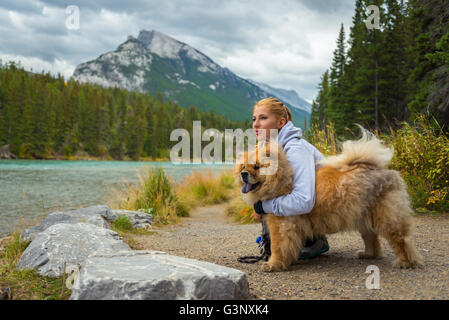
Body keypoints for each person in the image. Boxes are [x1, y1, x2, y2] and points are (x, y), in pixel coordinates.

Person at [249, 97, 329, 259]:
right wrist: (258, 202)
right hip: (307, 207)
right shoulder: (265, 148)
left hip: (324, 209)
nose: (256, 125)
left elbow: (304, 200)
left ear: (281, 123)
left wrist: (264, 207)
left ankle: (313, 240)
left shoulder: (295, 149)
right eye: (254, 119)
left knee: (271, 200)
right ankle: (293, 240)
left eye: (263, 118)